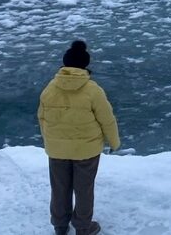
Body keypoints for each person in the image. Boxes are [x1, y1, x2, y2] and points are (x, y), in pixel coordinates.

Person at [37, 40, 121, 235]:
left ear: (65, 63)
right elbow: (107, 120)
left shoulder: (50, 88)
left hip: (57, 150)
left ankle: (60, 225)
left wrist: (50, 140)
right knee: (84, 189)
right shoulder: (93, 90)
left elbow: (42, 117)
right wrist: (114, 142)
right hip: (86, 150)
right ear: (85, 64)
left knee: (60, 188)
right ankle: (83, 227)